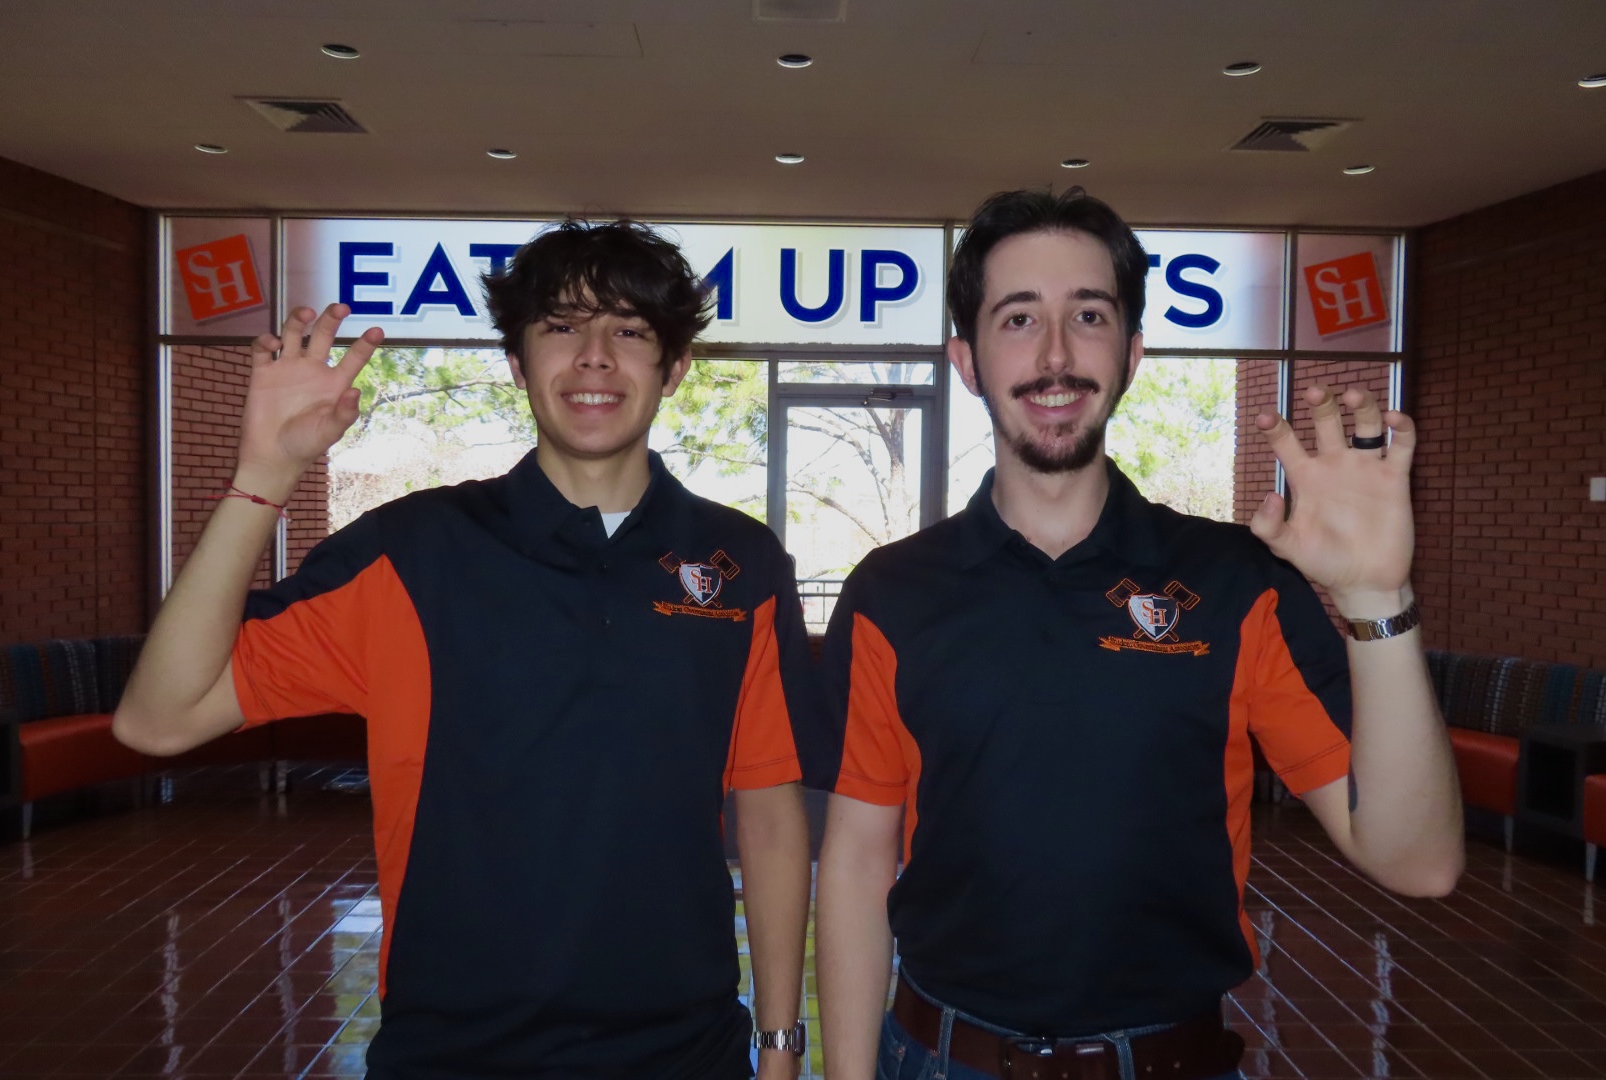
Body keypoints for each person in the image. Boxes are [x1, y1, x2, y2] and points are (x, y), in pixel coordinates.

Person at [114, 220, 819, 1080]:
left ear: (673, 369)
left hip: (684, 1051)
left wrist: (781, 1046)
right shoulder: (413, 553)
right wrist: (265, 471)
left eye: (629, 330)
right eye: (561, 326)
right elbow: (159, 719)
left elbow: (773, 814)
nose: (594, 356)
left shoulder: (738, 563)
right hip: (452, 1053)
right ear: (519, 365)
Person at [811, 189, 1464, 1080]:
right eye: (1017, 318)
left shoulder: (1235, 583)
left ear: (1132, 352)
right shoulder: (894, 592)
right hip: (940, 1057)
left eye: (1088, 315)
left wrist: (1378, 596)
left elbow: (1418, 861)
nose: (1054, 354)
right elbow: (855, 857)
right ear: (965, 360)